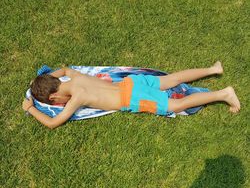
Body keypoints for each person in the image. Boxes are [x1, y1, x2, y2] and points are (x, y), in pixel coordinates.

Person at [22, 61, 240, 129]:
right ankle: (214, 69)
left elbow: (53, 123)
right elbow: (62, 70)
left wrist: (30, 108)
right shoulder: (73, 76)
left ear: (53, 99)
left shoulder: (77, 98)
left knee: (175, 106)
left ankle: (223, 94)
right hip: (131, 82)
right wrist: (38, 81)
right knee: (173, 79)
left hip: (133, 98)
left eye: (56, 102)